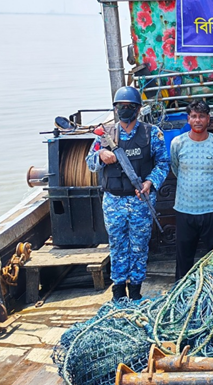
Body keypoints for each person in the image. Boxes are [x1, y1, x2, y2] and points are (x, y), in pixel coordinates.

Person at [87, 86, 169, 301]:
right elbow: (90, 163)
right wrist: (101, 154)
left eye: (130, 107)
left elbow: (163, 163)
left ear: (138, 109)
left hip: (141, 200)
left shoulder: (152, 133)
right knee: (117, 246)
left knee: (139, 246)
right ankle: (117, 290)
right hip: (113, 201)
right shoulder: (105, 135)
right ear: (115, 109)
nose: (125, 110)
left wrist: (150, 182)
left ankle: (135, 292)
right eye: (121, 106)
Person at [170, 100, 213, 280]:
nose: (198, 120)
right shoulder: (178, 143)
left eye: (202, 116)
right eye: (194, 116)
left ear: (208, 119)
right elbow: (176, 169)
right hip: (185, 209)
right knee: (184, 258)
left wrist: (212, 185)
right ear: (188, 119)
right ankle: (180, 294)